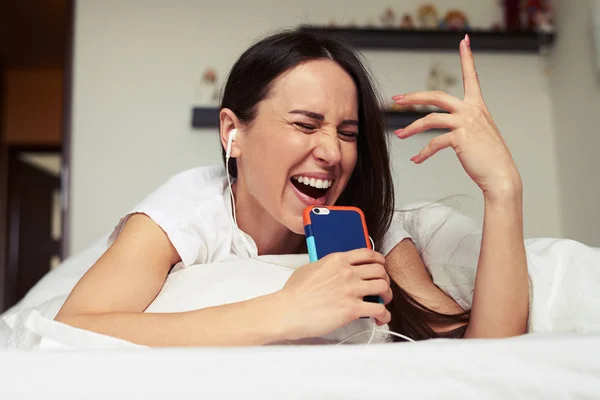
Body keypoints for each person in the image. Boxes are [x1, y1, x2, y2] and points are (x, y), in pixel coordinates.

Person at [54, 30, 529, 346]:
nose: (332, 152)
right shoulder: (184, 211)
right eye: (305, 124)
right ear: (231, 133)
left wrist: (503, 190)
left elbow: (480, 352)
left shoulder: (367, 231)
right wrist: (285, 309)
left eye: (347, 133)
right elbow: (75, 327)